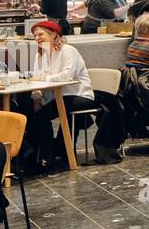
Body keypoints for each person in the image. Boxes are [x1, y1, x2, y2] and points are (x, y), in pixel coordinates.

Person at [22, 21, 95, 172]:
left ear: (53, 34)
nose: (37, 38)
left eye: (40, 34)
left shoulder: (68, 51)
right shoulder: (40, 55)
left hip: (78, 94)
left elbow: (67, 76)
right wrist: (36, 98)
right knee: (28, 111)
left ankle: (47, 158)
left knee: (42, 116)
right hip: (56, 97)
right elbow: (36, 79)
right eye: (35, 36)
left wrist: (44, 79)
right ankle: (35, 154)